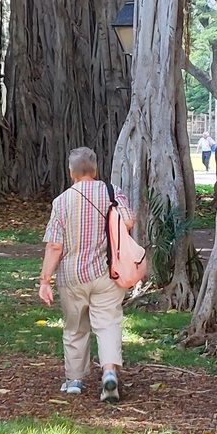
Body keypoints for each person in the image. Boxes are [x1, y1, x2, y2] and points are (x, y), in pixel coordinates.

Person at [38, 146, 135, 403]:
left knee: (75, 328)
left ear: (71, 173)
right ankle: (109, 373)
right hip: (107, 272)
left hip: (72, 276)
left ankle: (74, 380)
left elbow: (54, 246)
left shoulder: (61, 201)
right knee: (108, 323)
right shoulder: (112, 193)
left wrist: (45, 280)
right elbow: (128, 222)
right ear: (95, 170)